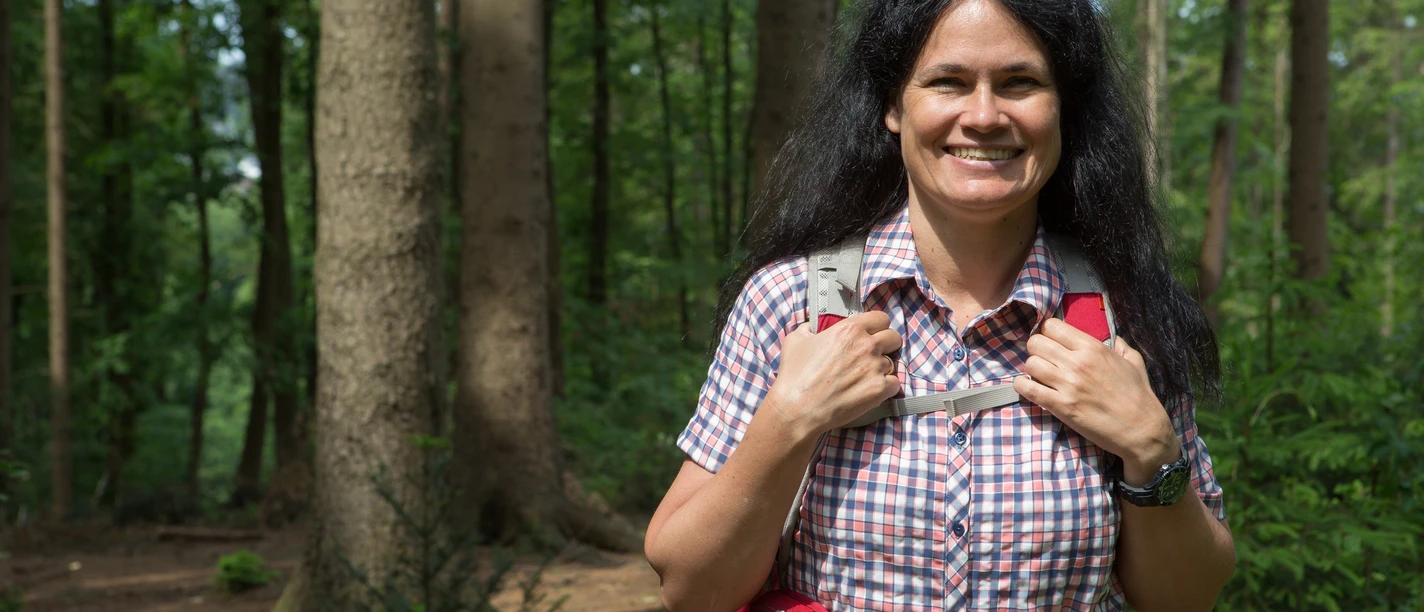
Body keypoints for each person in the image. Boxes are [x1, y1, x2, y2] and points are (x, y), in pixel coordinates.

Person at [644, 0, 1236, 609]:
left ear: (1064, 106)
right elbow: (691, 589)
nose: (983, 116)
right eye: (948, 81)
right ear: (893, 107)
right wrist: (789, 419)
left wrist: (1151, 449)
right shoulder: (789, 303)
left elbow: (1187, 598)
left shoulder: (1123, 317)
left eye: (1020, 82)